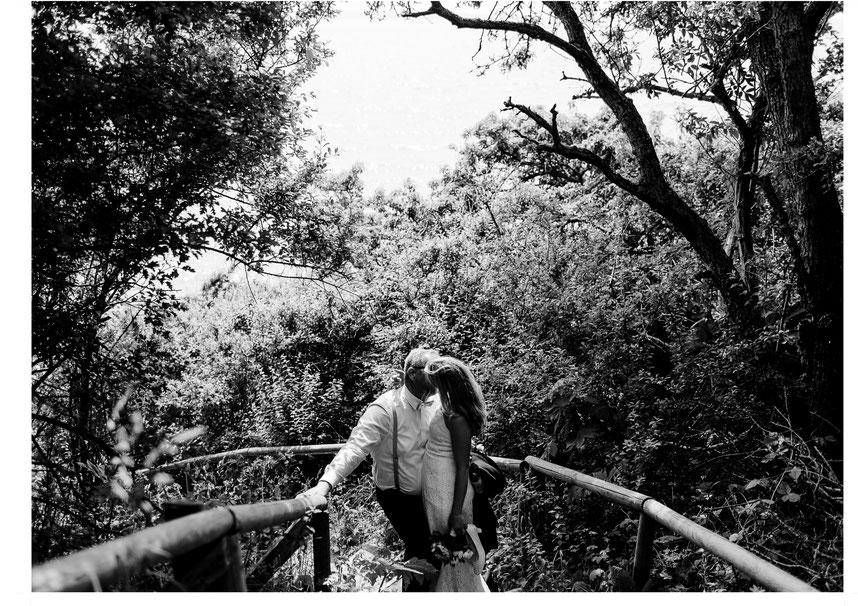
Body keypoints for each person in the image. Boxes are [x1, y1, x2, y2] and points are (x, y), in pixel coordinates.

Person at [301, 347, 440, 592]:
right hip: (397, 498)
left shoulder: (438, 401)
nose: (439, 375)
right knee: (423, 548)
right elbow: (354, 448)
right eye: (433, 370)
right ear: (411, 373)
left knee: (432, 550)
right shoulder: (385, 408)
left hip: (431, 494)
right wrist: (325, 485)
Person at [422, 356, 490, 592]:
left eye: (435, 381)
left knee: (454, 553)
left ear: (447, 383)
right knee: (447, 554)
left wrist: (457, 511)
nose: (432, 386)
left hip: (449, 493)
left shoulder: (457, 417)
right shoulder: (446, 405)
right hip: (437, 488)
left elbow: (462, 466)